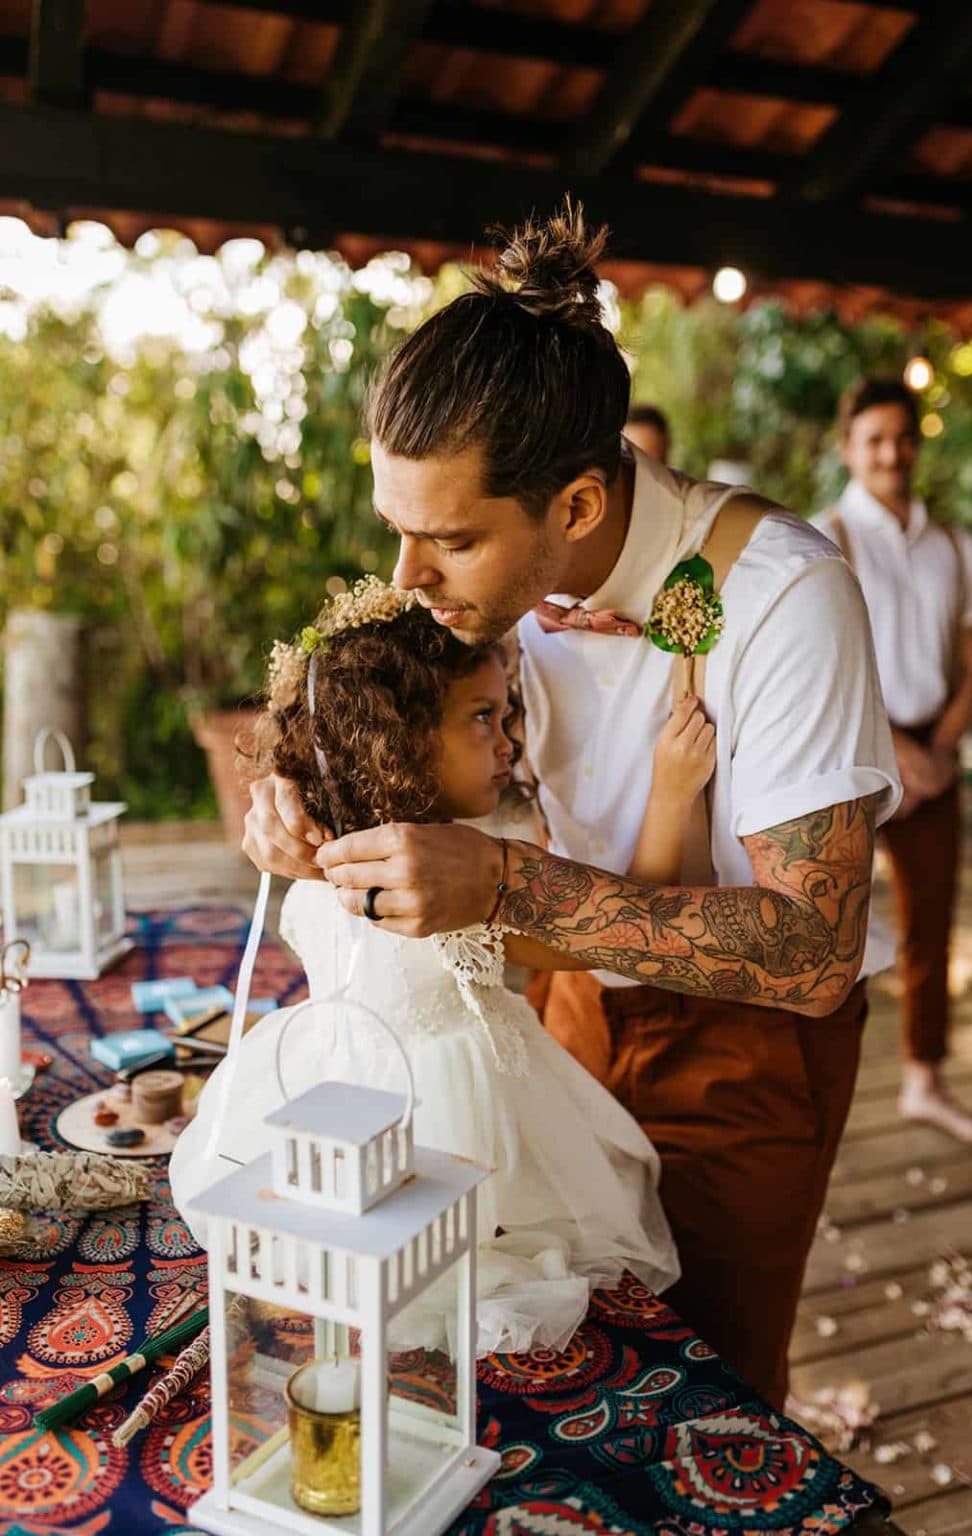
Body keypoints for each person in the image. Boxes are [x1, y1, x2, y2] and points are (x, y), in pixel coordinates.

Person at [242, 204, 901, 1409]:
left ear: (580, 509)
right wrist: (294, 789)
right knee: (536, 1367)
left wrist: (502, 884)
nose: (407, 577)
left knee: (707, 1391)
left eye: (448, 541)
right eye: (398, 532)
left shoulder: (788, 598)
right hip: (553, 1013)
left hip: (740, 1057)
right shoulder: (466, 587)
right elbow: (369, 704)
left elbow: (814, 950)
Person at [171, 579, 683, 1356]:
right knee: (462, 1264)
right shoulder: (447, 889)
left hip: (332, 1097)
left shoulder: (325, 855)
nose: (508, 742)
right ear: (401, 737)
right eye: (482, 717)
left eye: (506, 715)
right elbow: (609, 942)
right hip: (442, 1136)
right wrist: (672, 792)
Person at [814, 378, 972, 1148]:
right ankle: (816, 1086)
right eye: (876, 440)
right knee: (826, 925)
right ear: (848, 448)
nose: (892, 453)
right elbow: (819, 661)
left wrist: (941, 749)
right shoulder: (822, 539)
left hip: (936, 751)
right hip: (852, 750)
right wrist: (895, 750)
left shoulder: (956, 544)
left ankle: (925, 1080)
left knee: (931, 925)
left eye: (903, 438)